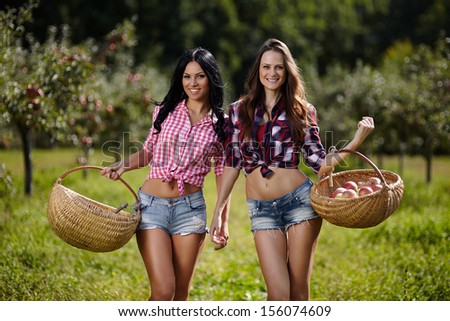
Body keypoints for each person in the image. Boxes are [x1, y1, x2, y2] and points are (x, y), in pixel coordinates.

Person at [210, 38, 374, 300]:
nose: (272, 73)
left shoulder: (302, 111)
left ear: (287, 72)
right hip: (261, 208)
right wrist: (219, 211)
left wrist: (355, 142)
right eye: (266, 67)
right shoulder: (239, 111)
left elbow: (320, 163)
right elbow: (232, 162)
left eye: (278, 67)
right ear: (258, 71)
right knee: (277, 295)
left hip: (300, 205)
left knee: (298, 293)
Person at [101, 47, 230, 300]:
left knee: (180, 296)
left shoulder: (222, 125)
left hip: (190, 211)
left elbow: (222, 174)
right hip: (152, 207)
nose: (192, 83)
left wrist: (222, 219)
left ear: (211, 78)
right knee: (163, 292)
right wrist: (123, 164)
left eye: (200, 76)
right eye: (186, 76)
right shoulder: (165, 111)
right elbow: (149, 151)